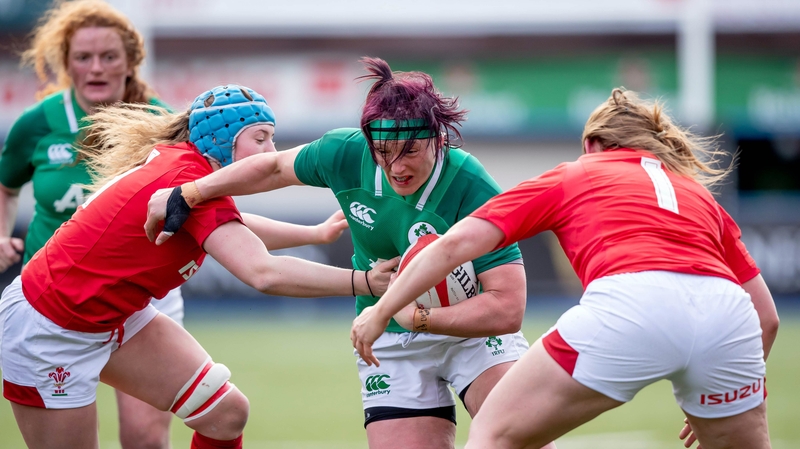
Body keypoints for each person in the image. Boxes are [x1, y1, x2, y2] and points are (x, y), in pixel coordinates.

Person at [143, 57, 556, 449]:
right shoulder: (345, 152)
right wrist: (190, 192)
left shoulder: (470, 184)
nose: (395, 166)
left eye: (410, 150)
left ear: (439, 138)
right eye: (383, 150)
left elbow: (507, 308)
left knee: (522, 437)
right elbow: (271, 169)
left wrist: (420, 316)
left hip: (473, 337)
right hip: (390, 343)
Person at [350, 88, 780, 449]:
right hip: (728, 318)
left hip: (632, 306)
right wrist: (720, 387)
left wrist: (383, 310)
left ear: (593, 144)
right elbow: (766, 317)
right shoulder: (698, 195)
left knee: (494, 433)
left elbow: (456, 244)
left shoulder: (576, 172)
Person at [0, 84, 396, 449]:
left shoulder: (192, 177)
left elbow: (231, 229)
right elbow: (263, 272)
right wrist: (364, 282)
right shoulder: (188, 180)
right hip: (50, 328)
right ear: (220, 140)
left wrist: (313, 234)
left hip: (113, 317)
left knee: (224, 415)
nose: (272, 152)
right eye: (260, 138)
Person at [0, 2, 178, 447]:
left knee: (145, 438)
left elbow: (192, 195)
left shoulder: (161, 123)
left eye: (109, 56)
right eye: (83, 57)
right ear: (66, 64)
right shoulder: (37, 124)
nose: (96, 68)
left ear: (131, 61)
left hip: (141, 299)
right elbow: (5, 186)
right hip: (55, 301)